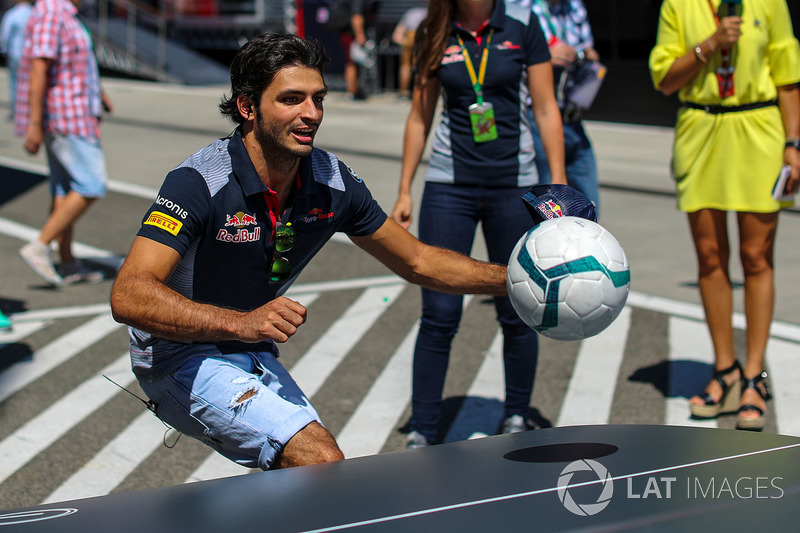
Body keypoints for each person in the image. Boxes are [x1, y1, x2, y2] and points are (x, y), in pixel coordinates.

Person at [109, 32, 521, 470]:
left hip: (245, 345)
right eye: (292, 100)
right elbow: (129, 295)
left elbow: (418, 261)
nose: (311, 114)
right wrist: (243, 323)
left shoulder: (331, 180)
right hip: (175, 353)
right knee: (318, 459)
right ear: (248, 107)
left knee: (315, 470)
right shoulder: (198, 181)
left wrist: (518, 279)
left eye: (318, 99)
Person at [390, 0, 567, 449]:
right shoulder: (435, 30)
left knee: (518, 304)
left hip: (515, 184)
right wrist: (406, 187)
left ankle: (516, 414)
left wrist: (559, 184)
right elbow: (419, 116)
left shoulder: (523, 27)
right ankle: (424, 426)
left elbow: (546, 109)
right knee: (439, 313)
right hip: (451, 185)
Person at [649, 0, 800, 430]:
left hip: (759, 130)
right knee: (710, 257)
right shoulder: (678, 5)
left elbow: (788, 79)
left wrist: (795, 144)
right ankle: (725, 368)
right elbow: (664, 80)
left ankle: (756, 375)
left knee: (756, 257)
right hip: (700, 129)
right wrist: (710, 44)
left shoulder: (769, 3)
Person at [14, 0, 111, 287]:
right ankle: (39, 245)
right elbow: (38, 69)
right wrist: (33, 124)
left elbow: (76, 66)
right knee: (91, 184)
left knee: (65, 188)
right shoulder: (51, 12)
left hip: (75, 112)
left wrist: (100, 94)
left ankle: (67, 262)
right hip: (65, 116)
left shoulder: (65, 14)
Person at [526, 0, 601, 211]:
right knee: (550, 206)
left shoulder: (573, 5)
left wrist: (581, 56)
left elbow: (588, 50)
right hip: (537, 115)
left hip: (571, 114)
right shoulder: (519, 7)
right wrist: (544, 57)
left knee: (589, 204)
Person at [0, 0, 32, 121]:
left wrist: (4, 50)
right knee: (29, 83)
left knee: (15, 83)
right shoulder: (34, 13)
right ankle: (28, 111)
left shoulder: (12, 14)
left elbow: (5, 36)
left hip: (15, 54)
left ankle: (16, 112)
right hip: (30, 55)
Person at [391, 6, 427, 100]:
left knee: (405, 66)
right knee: (424, 66)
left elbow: (397, 35)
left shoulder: (410, 12)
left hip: (409, 35)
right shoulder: (429, 11)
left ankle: (404, 92)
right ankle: (422, 92)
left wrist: (405, 42)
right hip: (423, 37)